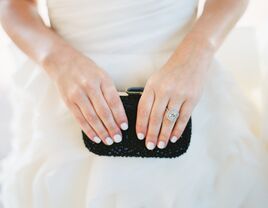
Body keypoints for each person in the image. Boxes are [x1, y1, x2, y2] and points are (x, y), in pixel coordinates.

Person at [0, 0, 267, 207]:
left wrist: (200, 49)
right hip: (69, 99)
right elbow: (14, 5)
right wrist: (56, 59)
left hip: (187, 88)